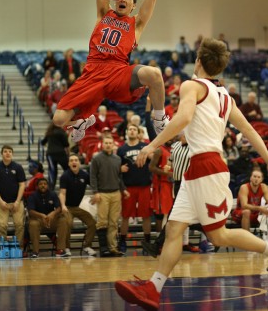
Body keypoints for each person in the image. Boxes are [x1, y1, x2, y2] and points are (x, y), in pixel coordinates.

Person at [115, 38, 268, 311]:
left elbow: (183, 118)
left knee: (218, 236)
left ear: (198, 61)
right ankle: (153, 288)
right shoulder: (226, 97)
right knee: (173, 229)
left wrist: (151, 145)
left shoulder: (191, 86)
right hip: (196, 170)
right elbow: (250, 131)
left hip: (208, 167)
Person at [53, 0, 169, 143]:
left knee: (154, 75)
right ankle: (81, 121)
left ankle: (159, 118)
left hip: (118, 72)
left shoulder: (137, 24)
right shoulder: (103, 14)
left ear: (133, 6)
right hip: (92, 72)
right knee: (58, 120)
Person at [90, 135, 129, 257]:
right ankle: (103, 248)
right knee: (102, 222)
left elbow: (119, 177)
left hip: (116, 193)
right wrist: (95, 192)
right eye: (106, 143)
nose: (108, 145)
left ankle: (112, 248)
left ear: (113, 145)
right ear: (102, 144)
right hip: (102, 193)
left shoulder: (117, 159)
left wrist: (124, 190)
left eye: (110, 143)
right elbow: (93, 176)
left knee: (113, 222)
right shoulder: (96, 159)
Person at [117, 124, 152, 253]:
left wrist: (151, 156)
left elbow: (154, 161)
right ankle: (122, 242)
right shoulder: (121, 150)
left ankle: (147, 242)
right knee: (125, 216)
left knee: (146, 215)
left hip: (144, 186)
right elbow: (117, 169)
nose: (132, 131)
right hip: (128, 187)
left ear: (138, 133)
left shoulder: (145, 147)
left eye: (134, 129)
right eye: (130, 129)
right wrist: (119, 169)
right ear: (127, 132)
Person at [59, 153, 97, 257]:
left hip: (78, 207)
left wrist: (96, 194)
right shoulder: (65, 176)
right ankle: (66, 248)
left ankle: (87, 246)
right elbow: (62, 193)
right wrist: (63, 205)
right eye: (71, 160)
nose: (74, 162)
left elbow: (94, 186)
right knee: (67, 223)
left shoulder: (84, 175)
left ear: (79, 163)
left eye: (76, 160)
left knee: (92, 223)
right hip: (67, 207)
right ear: (68, 164)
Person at [0, 145, 26, 248]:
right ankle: (3, 247)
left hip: (17, 202)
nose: (8, 153)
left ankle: (19, 248)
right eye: (5, 151)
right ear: (1, 154)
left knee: (19, 224)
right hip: (1, 202)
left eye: (10, 151)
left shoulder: (18, 167)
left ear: (12, 154)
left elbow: (22, 185)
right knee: (2, 225)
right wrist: (0, 201)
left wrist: (18, 202)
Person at [27, 177, 70, 258]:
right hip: (38, 220)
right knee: (33, 224)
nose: (43, 186)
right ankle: (35, 251)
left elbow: (59, 208)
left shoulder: (53, 194)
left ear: (48, 186)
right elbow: (30, 211)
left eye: (45, 184)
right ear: (37, 186)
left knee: (63, 220)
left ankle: (60, 249)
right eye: (40, 184)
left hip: (51, 220)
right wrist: (41, 215)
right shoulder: (33, 195)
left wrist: (52, 214)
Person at [41, 122, 69, 190]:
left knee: (52, 171)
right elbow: (66, 145)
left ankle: (51, 188)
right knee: (67, 169)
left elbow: (42, 142)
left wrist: (49, 146)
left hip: (50, 154)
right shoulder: (62, 132)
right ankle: (68, 185)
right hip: (60, 153)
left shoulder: (50, 132)